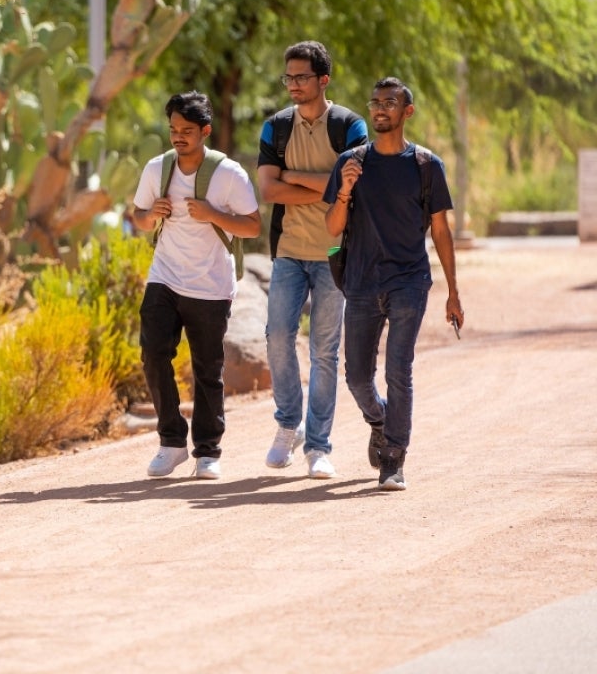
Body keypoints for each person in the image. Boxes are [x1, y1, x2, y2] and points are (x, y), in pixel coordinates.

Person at [324, 77, 463, 491]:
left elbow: (441, 231)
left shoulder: (426, 166)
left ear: (407, 111)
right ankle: (380, 421)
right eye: (376, 102)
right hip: (362, 282)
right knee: (356, 377)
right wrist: (346, 188)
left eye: (391, 102)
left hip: (409, 282)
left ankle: (393, 458)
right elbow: (332, 227)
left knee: (399, 369)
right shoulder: (351, 162)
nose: (381, 108)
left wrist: (453, 292)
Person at [131, 91, 261, 479]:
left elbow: (252, 226)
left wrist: (212, 214)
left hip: (210, 285)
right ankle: (171, 442)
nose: (178, 137)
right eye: (173, 129)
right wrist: (150, 214)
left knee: (207, 369)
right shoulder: (158, 169)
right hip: (165, 276)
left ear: (205, 131)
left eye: (187, 130)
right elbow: (137, 216)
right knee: (153, 354)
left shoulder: (228, 174)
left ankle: (208, 451)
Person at [257, 41, 368, 478]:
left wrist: (293, 177)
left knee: (325, 351)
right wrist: (326, 185)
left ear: (323, 80)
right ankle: (289, 425)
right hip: (288, 250)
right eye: (289, 78)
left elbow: (356, 185)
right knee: (277, 337)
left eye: (302, 77)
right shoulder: (275, 128)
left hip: (335, 253)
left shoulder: (349, 126)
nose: (294, 85)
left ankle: (318, 447)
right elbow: (268, 191)